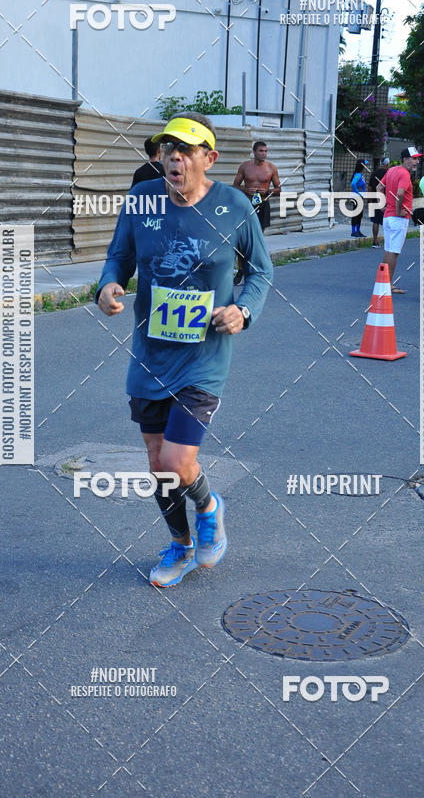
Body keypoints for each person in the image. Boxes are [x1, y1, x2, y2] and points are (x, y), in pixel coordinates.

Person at [97, 111, 273, 587]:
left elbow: (260, 272)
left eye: (185, 150)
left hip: (204, 356)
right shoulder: (141, 199)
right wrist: (109, 285)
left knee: (177, 461)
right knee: (159, 464)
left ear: (208, 159)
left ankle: (210, 506)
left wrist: (243, 311)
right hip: (150, 354)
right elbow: (119, 255)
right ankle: (180, 545)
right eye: (167, 148)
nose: (173, 157)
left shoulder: (236, 206)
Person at [232, 141, 281, 283]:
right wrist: (245, 189)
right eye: (261, 151)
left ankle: (253, 270)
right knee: (241, 240)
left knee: (256, 240)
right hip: (246, 205)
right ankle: (241, 270)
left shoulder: (271, 168)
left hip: (263, 205)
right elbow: (235, 186)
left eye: (265, 151)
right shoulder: (245, 167)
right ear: (254, 152)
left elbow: (279, 189)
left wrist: (269, 191)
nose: (264, 154)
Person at [376, 146, 421, 293]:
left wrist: (382, 205)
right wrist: (397, 210)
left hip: (388, 217)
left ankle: (383, 282)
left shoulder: (391, 170)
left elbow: (378, 187)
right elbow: (400, 194)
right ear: (405, 159)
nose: (417, 162)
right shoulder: (404, 174)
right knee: (394, 252)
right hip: (398, 217)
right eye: (414, 159)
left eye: (417, 159)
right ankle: (388, 284)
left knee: (388, 251)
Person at [369, 157, 389, 248]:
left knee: (375, 221)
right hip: (385, 200)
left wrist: (369, 200)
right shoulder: (388, 173)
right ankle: (387, 242)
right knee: (386, 222)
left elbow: (369, 188)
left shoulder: (374, 173)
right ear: (387, 164)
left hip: (374, 199)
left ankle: (375, 241)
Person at [350, 160, 369, 237]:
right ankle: (354, 231)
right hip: (357, 197)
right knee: (356, 214)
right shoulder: (358, 175)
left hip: (359, 197)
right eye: (365, 165)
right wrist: (357, 192)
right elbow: (353, 183)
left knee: (359, 215)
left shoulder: (360, 174)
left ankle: (358, 231)